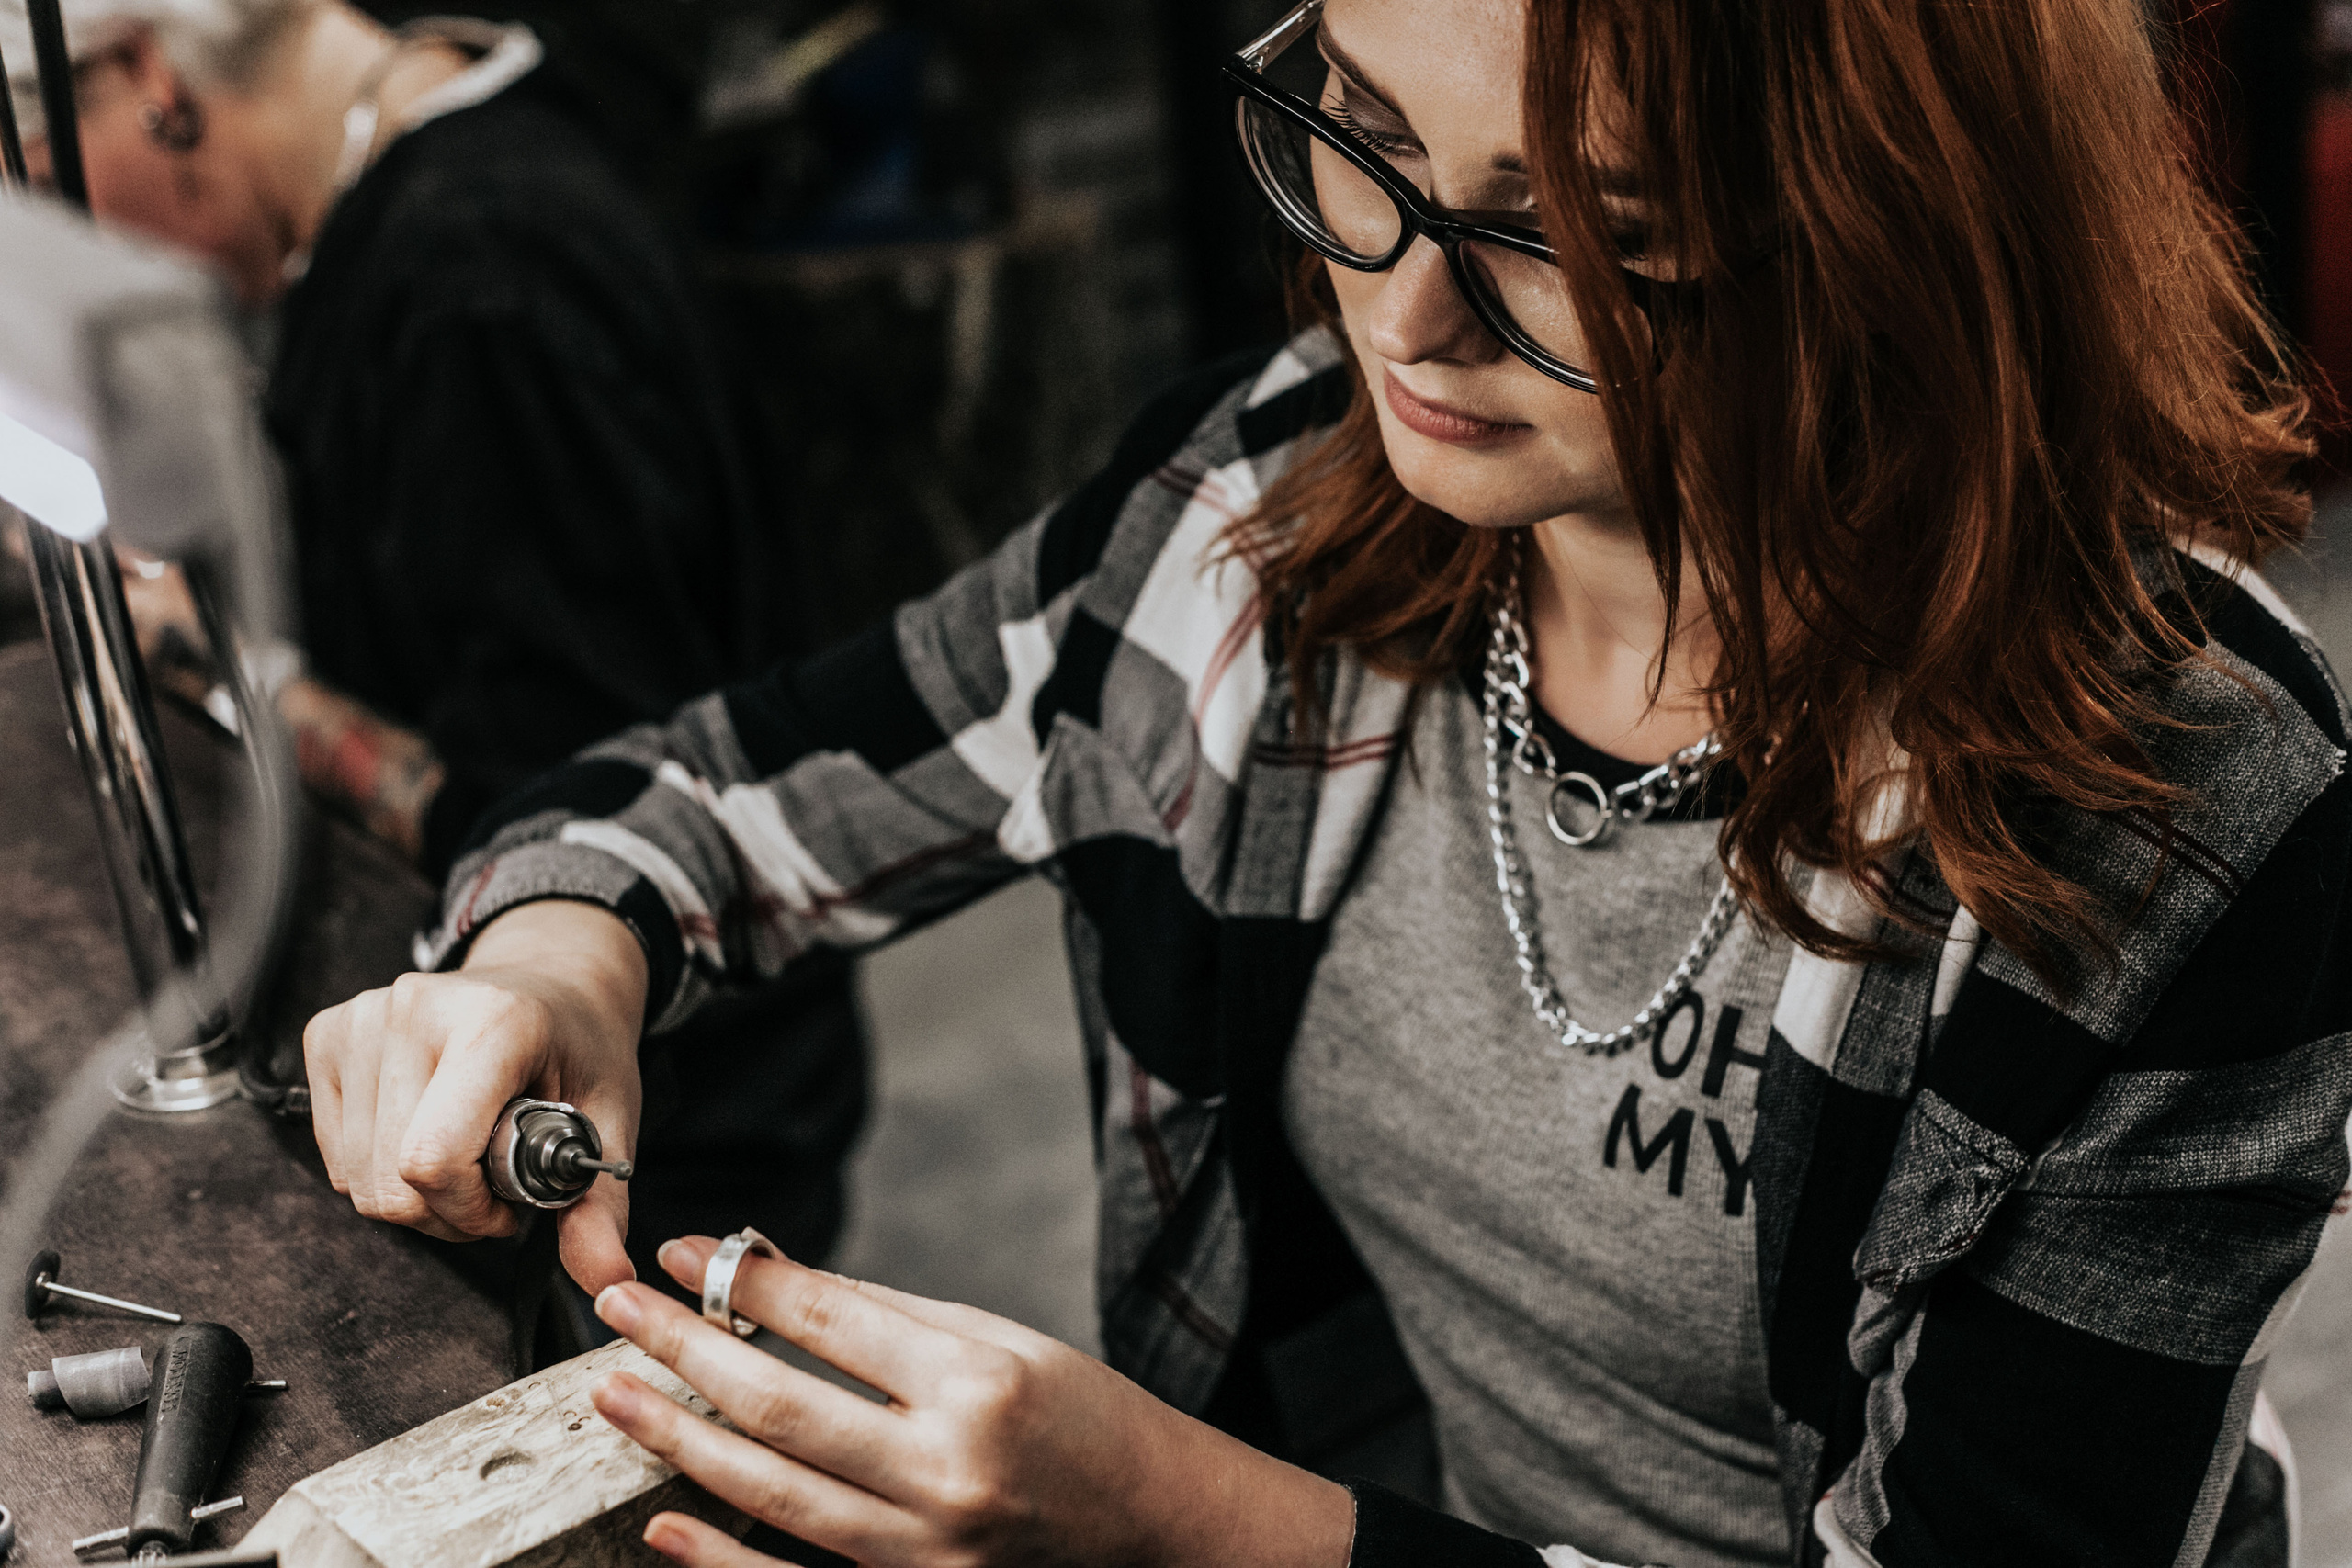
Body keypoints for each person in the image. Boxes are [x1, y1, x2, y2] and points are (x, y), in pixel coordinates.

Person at [301, 0, 2351, 1562]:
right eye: (1359, 140)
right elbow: (706, 795)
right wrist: (558, 967)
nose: (1399, 308)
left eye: (1577, 233)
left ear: (1896, 231)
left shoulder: (2183, 812)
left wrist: (1175, 1521)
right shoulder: (1264, 501)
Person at [2, 0, 866, 1300]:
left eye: (42, 159)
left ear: (146, 76)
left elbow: (558, 793)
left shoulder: (477, 279)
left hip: (653, 1125)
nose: (77, 234)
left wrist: (205, 659)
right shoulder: (479, 132)